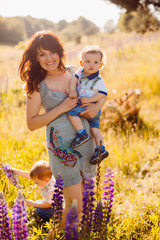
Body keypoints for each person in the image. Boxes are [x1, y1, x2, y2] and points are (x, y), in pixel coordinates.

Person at [18, 30, 106, 229]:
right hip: (62, 147)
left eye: (52, 52)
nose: (49, 58)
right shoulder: (37, 86)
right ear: (36, 58)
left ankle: (63, 234)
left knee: (85, 200)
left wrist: (96, 108)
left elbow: (101, 94)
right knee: (75, 206)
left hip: (85, 142)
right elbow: (31, 124)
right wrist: (62, 107)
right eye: (42, 54)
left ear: (59, 52)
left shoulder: (76, 71)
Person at [68, 45, 109, 165]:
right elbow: (73, 80)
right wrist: (72, 90)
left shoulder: (99, 80)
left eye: (96, 62)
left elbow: (103, 94)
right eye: (88, 61)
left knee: (71, 113)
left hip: (89, 105)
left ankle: (81, 134)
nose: (91, 65)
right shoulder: (80, 71)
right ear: (81, 63)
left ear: (101, 65)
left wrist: (90, 99)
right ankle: (101, 149)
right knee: (94, 129)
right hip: (87, 103)